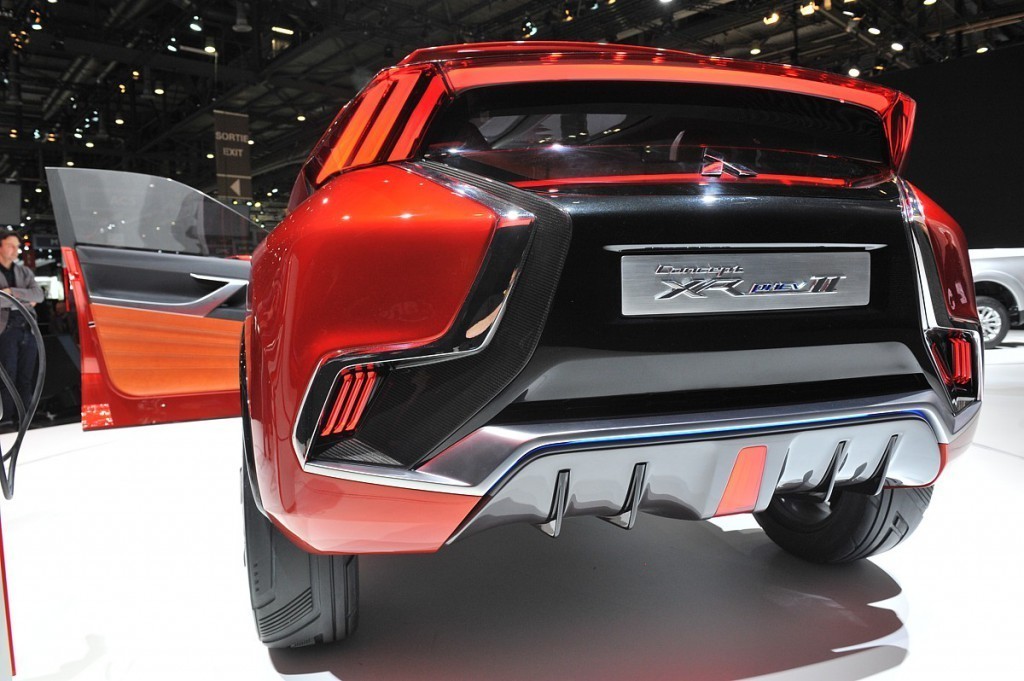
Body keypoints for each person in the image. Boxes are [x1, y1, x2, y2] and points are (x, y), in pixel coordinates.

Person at [0, 232, 44, 428]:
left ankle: (25, 419)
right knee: (7, 376)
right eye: (11, 245)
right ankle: (7, 419)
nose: (15, 250)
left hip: (28, 329)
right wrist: (25, 300)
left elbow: (39, 295)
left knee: (26, 376)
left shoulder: (24, 271)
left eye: (17, 246)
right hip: (5, 330)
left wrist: (10, 293)